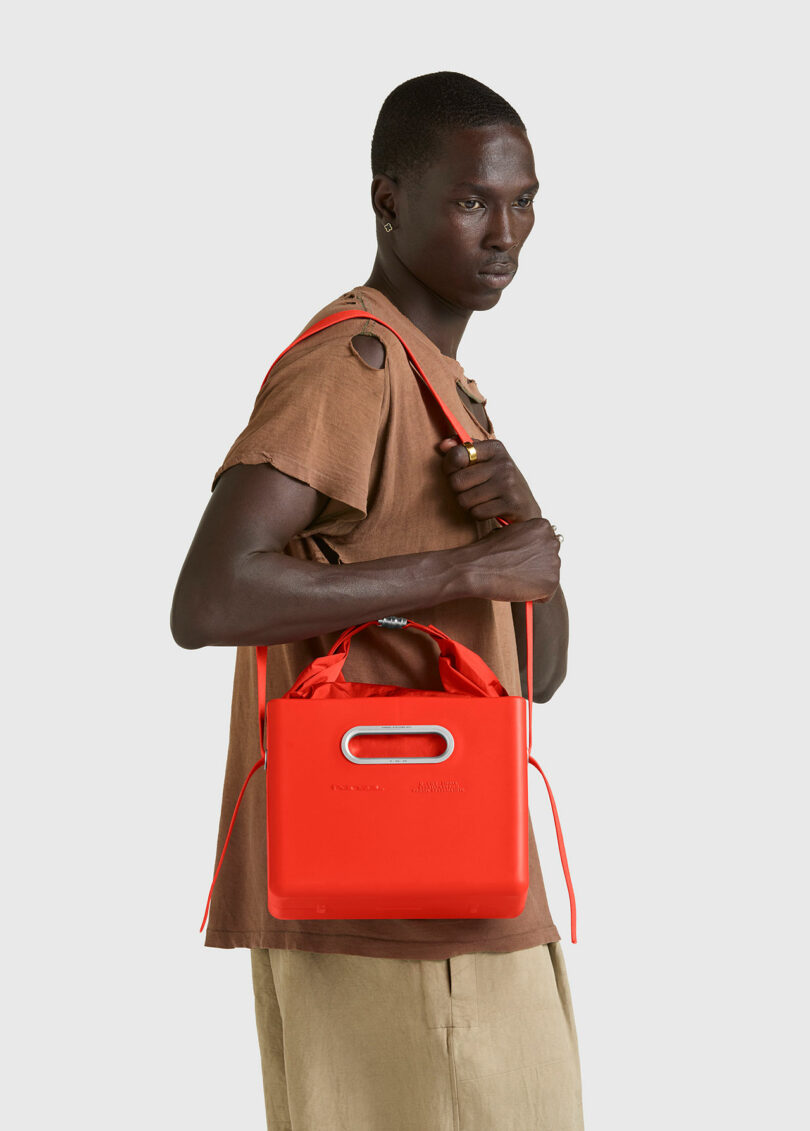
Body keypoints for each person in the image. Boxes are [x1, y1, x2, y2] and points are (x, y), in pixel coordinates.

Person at [171, 70, 584, 1131]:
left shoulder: (446, 384)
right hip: (394, 903)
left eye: (523, 199)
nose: (506, 233)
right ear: (388, 201)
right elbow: (209, 596)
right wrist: (461, 572)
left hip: (460, 879)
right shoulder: (353, 364)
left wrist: (518, 532)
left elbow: (536, 669)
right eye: (470, 200)